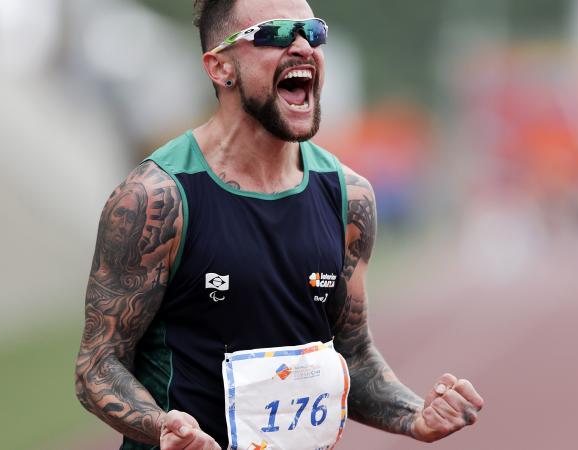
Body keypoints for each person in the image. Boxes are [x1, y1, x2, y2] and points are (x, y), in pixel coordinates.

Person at [75, 0, 484, 449]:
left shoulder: (349, 197)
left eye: (313, 32)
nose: (303, 47)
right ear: (220, 67)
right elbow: (98, 366)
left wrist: (415, 415)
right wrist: (163, 426)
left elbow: (354, 355)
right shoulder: (157, 198)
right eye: (274, 34)